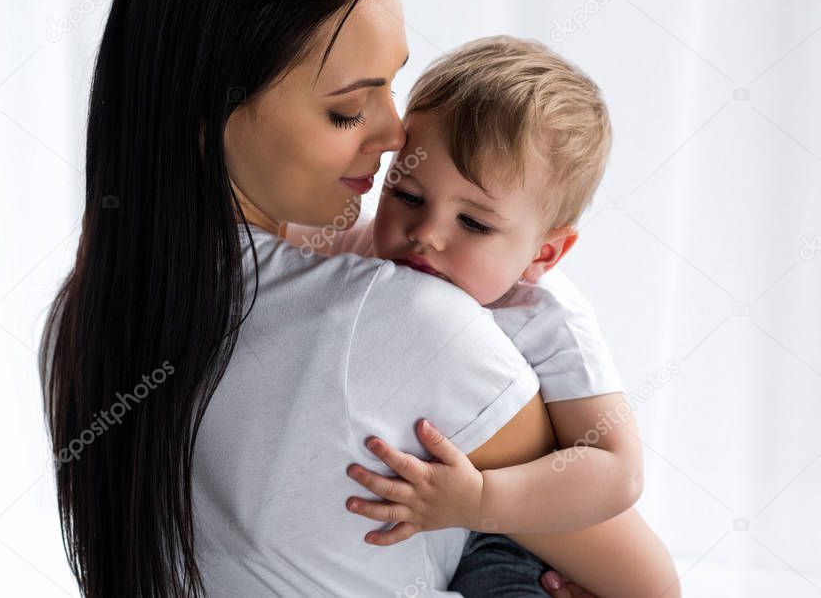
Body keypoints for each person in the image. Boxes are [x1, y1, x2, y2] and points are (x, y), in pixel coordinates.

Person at [39, 0, 673, 595]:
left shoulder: (83, 312)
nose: (397, 133)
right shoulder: (410, 320)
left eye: (391, 85)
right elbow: (647, 584)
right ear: (209, 115)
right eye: (346, 109)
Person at [288, 36, 678, 596]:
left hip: (517, 536)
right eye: (407, 193)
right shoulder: (370, 249)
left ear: (543, 255)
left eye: (473, 224)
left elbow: (619, 470)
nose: (426, 233)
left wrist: (481, 502)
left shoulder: (545, 316)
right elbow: (281, 239)